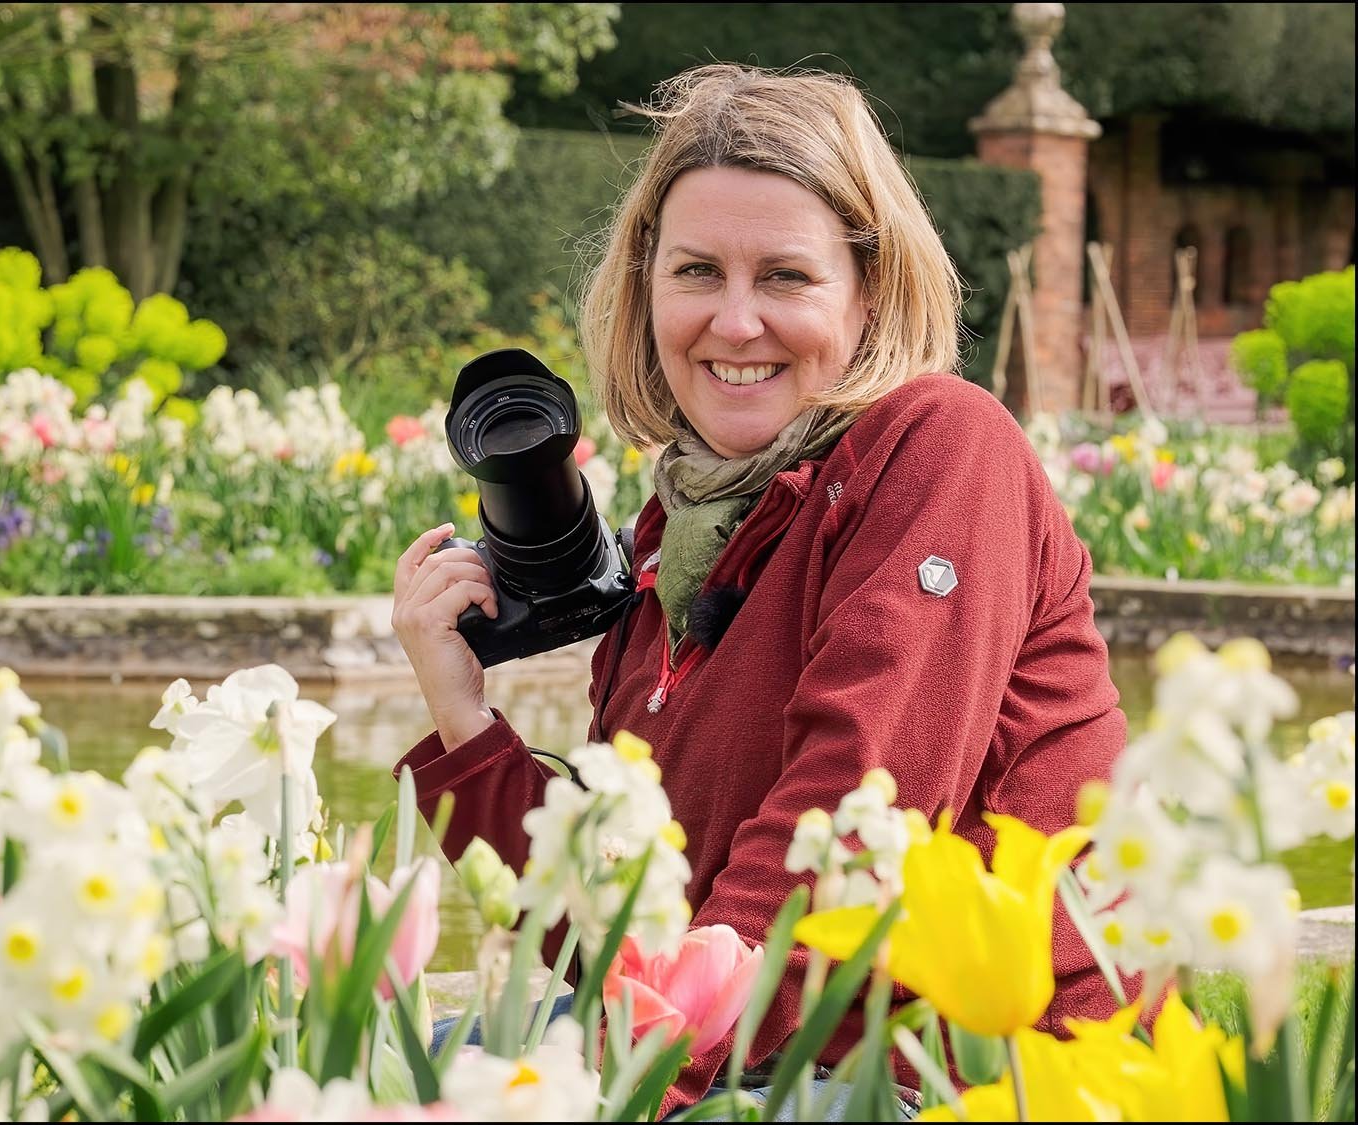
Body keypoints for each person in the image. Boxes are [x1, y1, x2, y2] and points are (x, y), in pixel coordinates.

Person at [390, 64, 1128, 1116]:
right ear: (646, 289)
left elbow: (857, 809)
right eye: (695, 271)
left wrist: (644, 1075)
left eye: (784, 276)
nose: (733, 324)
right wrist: (463, 720)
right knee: (356, 1070)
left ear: (867, 292)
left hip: (951, 1068)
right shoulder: (678, 538)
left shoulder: (941, 447)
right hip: (758, 1048)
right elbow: (616, 935)